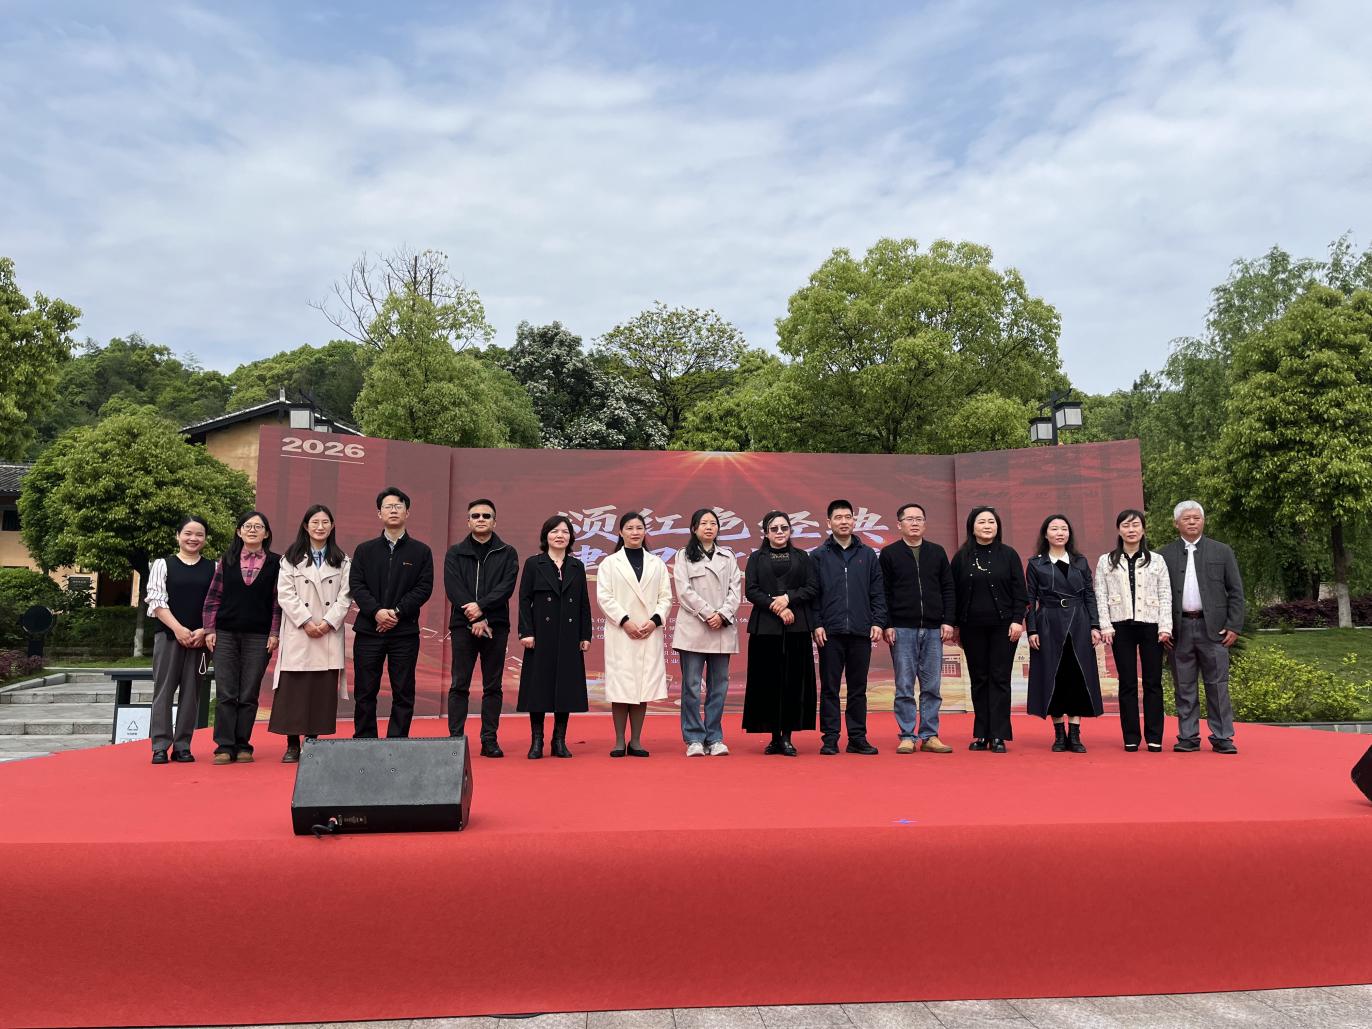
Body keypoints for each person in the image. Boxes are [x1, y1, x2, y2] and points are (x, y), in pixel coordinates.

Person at [1158, 501, 1245, 754]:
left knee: (1218, 685)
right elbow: (1157, 595)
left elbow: (1236, 592)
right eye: (1187, 518)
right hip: (1179, 629)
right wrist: (1164, 627)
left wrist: (1234, 625)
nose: (1192, 522)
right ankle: (1188, 736)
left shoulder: (1222, 551)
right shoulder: (1163, 555)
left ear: (1203, 521)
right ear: (1176, 523)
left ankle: (1222, 736)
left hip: (1214, 630)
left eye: (1197, 518)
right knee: (1184, 686)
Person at [348, 487, 434, 739]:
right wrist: (376, 612)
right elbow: (357, 585)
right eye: (388, 506)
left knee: (403, 690)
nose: (393, 510)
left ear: (407, 512)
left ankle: (397, 741)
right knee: (365, 690)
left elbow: (423, 588)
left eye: (398, 506)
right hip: (369, 630)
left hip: (404, 632)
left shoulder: (421, 551)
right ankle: (365, 739)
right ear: (379, 514)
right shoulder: (364, 550)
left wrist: (396, 613)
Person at [270, 504, 353, 762]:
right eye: (315, 522)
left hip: (328, 632)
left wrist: (328, 622)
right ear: (306, 526)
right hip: (299, 631)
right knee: (293, 690)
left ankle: (313, 741)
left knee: (320, 689)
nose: (320, 527)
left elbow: (346, 596)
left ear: (332, 526)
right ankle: (292, 744)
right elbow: (285, 594)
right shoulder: (290, 558)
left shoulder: (342, 559)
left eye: (325, 522)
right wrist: (305, 621)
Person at [202, 510, 281, 764]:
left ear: (266, 534)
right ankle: (224, 746)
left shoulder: (276, 563)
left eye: (258, 526)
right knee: (226, 691)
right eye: (247, 526)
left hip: (259, 636)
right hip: (225, 633)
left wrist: (274, 633)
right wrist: (210, 629)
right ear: (239, 531)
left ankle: (243, 744)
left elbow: (277, 603)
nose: (252, 530)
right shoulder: (227, 560)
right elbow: (213, 598)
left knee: (249, 692)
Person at [811, 499, 887, 755]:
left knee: (858, 688)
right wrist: (817, 624)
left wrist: (878, 621)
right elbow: (813, 595)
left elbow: (877, 592)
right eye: (838, 517)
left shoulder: (868, 554)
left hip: (860, 631)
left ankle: (857, 738)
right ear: (829, 522)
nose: (844, 522)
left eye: (848, 517)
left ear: (854, 521)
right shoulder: (818, 556)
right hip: (830, 633)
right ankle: (830, 738)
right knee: (830, 688)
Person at [443, 499, 518, 758]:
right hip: (463, 625)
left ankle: (489, 740)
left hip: (496, 626)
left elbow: (506, 588)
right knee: (459, 684)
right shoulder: (455, 552)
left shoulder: (507, 552)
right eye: (475, 516)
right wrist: (474, 618)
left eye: (487, 516)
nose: (481, 519)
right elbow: (453, 587)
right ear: (468, 522)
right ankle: (455, 740)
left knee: (492, 686)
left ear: (495, 521)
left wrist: (482, 609)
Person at [880, 503, 956, 755]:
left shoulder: (937, 552)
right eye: (909, 519)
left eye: (919, 519)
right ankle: (907, 735)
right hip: (902, 628)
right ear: (899, 524)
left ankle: (929, 735)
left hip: (933, 629)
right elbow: (883, 593)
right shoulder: (889, 554)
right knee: (904, 686)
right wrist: (887, 624)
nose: (914, 523)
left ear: (925, 523)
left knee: (932, 686)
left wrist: (948, 620)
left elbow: (948, 588)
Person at [741, 511, 819, 756]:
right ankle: (774, 736)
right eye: (774, 528)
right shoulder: (756, 558)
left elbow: (812, 587)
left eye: (784, 528)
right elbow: (751, 590)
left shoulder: (802, 557)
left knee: (793, 681)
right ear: (766, 533)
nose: (779, 532)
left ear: (790, 530)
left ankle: (787, 737)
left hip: (797, 626)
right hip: (765, 627)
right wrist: (777, 607)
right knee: (768, 681)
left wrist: (788, 599)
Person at [1094, 509, 1173, 752]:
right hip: (1120, 627)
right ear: (1119, 530)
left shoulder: (1157, 560)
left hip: (1151, 625)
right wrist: (1105, 625)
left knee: (1153, 682)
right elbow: (1100, 594)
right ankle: (1130, 736)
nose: (1131, 530)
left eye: (1136, 525)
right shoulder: (1106, 560)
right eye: (1126, 525)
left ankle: (1154, 736)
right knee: (1127, 682)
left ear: (1143, 529)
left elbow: (1165, 593)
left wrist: (1165, 626)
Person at [950, 506, 1027, 753]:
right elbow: (953, 594)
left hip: (1004, 627)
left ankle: (999, 735)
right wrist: (955, 625)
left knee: (1000, 678)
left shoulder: (1009, 555)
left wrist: (1017, 619)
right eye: (981, 522)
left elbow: (1020, 592)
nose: (987, 526)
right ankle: (982, 733)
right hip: (971, 627)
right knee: (979, 679)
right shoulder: (961, 557)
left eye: (991, 522)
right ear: (972, 527)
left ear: (998, 526)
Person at [597, 511, 673, 757]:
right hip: (621, 632)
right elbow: (604, 597)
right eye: (629, 528)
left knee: (643, 686)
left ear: (645, 531)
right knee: (621, 687)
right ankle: (620, 740)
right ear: (620, 532)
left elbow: (666, 597)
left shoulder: (657, 563)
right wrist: (625, 621)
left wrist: (654, 621)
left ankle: (636, 740)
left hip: (648, 631)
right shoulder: (610, 563)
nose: (635, 532)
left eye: (639, 528)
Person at [1025, 514, 1104, 753]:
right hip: (1048, 623)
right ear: (1045, 534)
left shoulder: (1080, 562)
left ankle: (1075, 734)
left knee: (1077, 676)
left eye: (1064, 529)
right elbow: (1030, 599)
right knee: (1054, 676)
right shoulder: (1036, 563)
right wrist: (1032, 629)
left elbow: (1089, 595)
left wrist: (1095, 625)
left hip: (1079, 623)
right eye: (1054, 528)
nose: (1060, 533)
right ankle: (1059, 734)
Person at [516, 515, 592, 759]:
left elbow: (583, 603)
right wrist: (526, 631)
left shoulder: (576, 566)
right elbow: (524, 600)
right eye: (555, 531)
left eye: (565, 532)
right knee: (538, 686)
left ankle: (559, 740)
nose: (560, 535)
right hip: (541, 634)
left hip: (569, 635)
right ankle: (536, 740)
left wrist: (585, 634)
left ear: (571, 537)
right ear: (545, 536)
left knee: (565, 687)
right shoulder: (534, 564)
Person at [672, 508, 742, 757]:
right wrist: (708, 613)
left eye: (713, 523)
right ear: (694, 528)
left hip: (721, 628)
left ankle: (714, 737)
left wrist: (722, 615)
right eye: (704, 523)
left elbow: (736, 590)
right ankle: (693, 738)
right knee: (691, 686)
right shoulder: (684, 555)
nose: (709, 527)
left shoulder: (728, 556)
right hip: (694, 628)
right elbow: (683, 591)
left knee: (718, 687)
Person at [145, 516, 215, 764]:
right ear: (178, 536)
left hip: (200, 641)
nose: (193, 538)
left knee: (191, 693)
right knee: (163, 690)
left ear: (205, 539)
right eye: (188, 533)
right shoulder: (163, 565)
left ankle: (183, 745)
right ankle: (160, 745)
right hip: (168, 637)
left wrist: (204, 630)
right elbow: (156, 601)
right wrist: (178, 629)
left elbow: (217, 603)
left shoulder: (214, 567)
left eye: (199, 534)